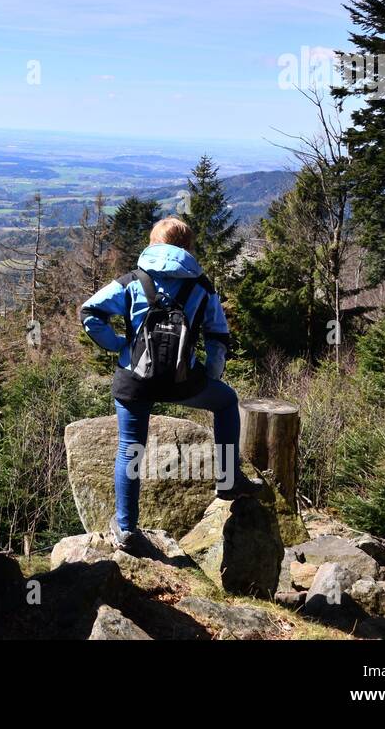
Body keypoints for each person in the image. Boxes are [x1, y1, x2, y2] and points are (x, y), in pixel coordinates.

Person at [78, 217, 260, 552]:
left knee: (130, 448)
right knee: (225, 402)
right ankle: (228, 480)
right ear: (188, 248)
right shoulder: (202, 287)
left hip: (134, 381)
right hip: (182, 382)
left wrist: (119, 345)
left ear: (153, 243)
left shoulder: (133, 281)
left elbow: (90, 312)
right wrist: (209, 374)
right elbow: (218, 335)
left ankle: (127, 529)